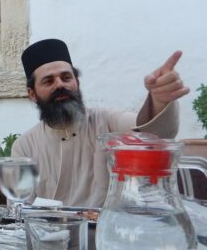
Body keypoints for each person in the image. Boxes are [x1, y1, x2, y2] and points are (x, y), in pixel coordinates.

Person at [11, 38, 188, 207]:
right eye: (48, 81)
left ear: (77, 82)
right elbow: (20, 208)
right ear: (32, 94)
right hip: (47, 228)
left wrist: (159, 101)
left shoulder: (107, 121)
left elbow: (152, 135)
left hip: (105, 227)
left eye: (66, 78)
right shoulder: (25, 146)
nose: (60, 85)